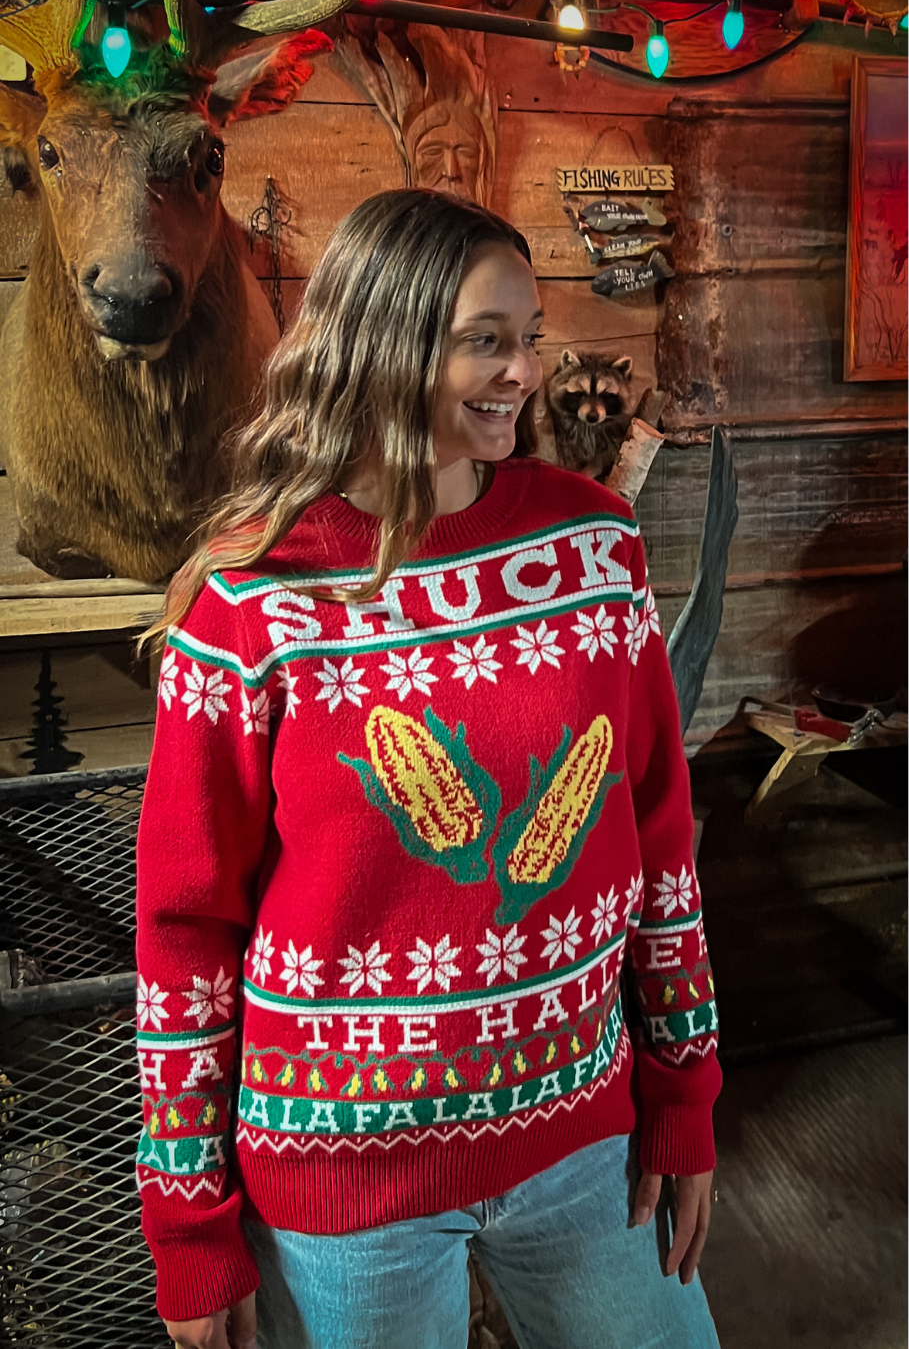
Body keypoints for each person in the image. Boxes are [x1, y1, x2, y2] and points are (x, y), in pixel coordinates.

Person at [135, 188, 722, 1349]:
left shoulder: (596, 550)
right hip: (344, 1191)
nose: (524, 372)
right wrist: (190, 1228)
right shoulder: (252, 603)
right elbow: (185, 932)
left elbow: (660, 845)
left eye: (532, 336)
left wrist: (683, 1095)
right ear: (386, 338)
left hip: (580, 1140)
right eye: (486, 340)